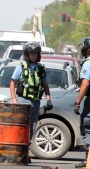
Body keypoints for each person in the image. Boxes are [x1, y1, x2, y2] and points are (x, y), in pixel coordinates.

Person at [10, 42, 53, 153]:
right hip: (23, 100)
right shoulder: (21, 67)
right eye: (31, 53)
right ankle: (17, 150)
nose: (33, 55)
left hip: (36, 102)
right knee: (20, 126)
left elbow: (45, 85)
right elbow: (12, 83)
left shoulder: (41, 69)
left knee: (32, 128)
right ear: (27, 54)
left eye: (35, 53)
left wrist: (48, 99)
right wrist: (14, 100)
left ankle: (25, 151)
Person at [74, 38, 90, 168]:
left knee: (87, 128)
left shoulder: (88, 63)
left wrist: (78, 102)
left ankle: (88, 160)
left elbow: (85, 84)